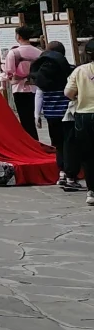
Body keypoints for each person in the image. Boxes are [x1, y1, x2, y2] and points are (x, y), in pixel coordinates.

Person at [31, 41, 76, 189]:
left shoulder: (43, 73)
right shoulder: (68, 70)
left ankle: (61, 173)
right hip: (67, 114)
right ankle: (70, 176)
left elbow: (39, 94)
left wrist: (36, 115)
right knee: (69, 144)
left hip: (50, 115)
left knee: (58, 145)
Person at [63, 39, 94, 205]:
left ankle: (91, 191)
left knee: (88, 155)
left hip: (84, 116)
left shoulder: (80, 70)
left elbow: (68, 92)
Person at [2, 25, 44, 138]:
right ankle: (35, 141)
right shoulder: (39, 53)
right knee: (33, 116)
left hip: (20, 88)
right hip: (36, 88)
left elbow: (9, 72)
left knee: (25, 119)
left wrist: (4, 79)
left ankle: (31, 143)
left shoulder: (14, 53)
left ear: (18, 36)